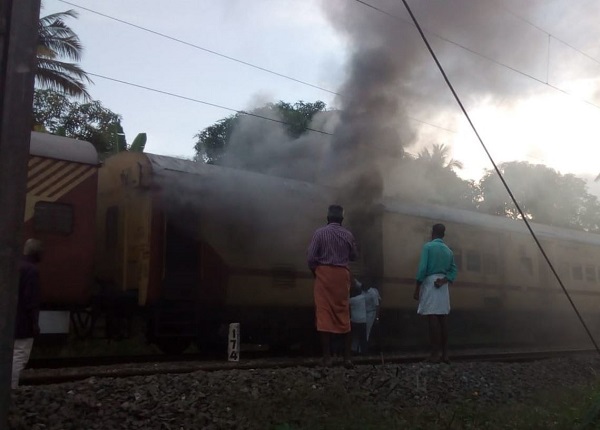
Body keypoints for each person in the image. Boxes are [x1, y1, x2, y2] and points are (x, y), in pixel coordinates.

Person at [307, 205, 358, 368]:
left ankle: (327, 358)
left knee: (324, 314)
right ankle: (347, 358)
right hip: (342, 275)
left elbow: (311, 257)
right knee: (344, 313)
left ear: (327, 218)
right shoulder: (348, 235)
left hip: (324, 274)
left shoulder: (319, 233)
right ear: (342, 219)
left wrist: (316, 272)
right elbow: (354, 256)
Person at [413, 224, 457, 364]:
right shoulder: (449, 251)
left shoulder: (428, 247)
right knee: (443, 320)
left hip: (431, 283)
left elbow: (422, 269)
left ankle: (434, 355)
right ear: (443, 234)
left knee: (432, 319)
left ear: (433, 233)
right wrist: (444, 280)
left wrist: (417, 287)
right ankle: (445, 355)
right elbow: (453, 271)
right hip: (442, 285)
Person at [12, 239, 42, 389]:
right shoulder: (31, 270)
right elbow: (31, 300)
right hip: (23, 323)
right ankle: (12, 390)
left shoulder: (15, 266)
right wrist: (34, 323)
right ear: (37, 253)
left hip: (10, 321)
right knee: (19, 356)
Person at [349, 281, 367, 355]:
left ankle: (353, 350)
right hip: (363, 321)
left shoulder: (351, 300)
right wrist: (356, 281)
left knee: (354, 336)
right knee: (363, 337)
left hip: (354, 321)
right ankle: (364, 351)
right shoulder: (363, 298)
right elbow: (362, 289)